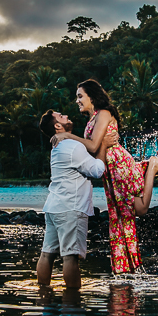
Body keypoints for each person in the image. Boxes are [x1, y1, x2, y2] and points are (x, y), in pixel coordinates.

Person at [52, 79, 158, 274]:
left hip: (118, 165)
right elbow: (94, 150)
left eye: (80, 96)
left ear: (92, 97)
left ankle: (152, 166)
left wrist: (67, 136)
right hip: (109, 172)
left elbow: (92, 146)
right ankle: (128, 271)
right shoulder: (92, 119)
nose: (78, 101)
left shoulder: (104, 114)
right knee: (120, 219)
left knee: (138, 210)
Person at [36, 110, 112, 289]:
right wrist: (104, 146)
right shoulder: (72, 146)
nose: (65, 115)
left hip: (54, 207)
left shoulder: (59, 146)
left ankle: (43, 295)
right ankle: (72, 303)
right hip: (71, 208)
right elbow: (96, 170)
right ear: (57, 125)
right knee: (70, 257)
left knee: (47, 254)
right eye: (61, 116)